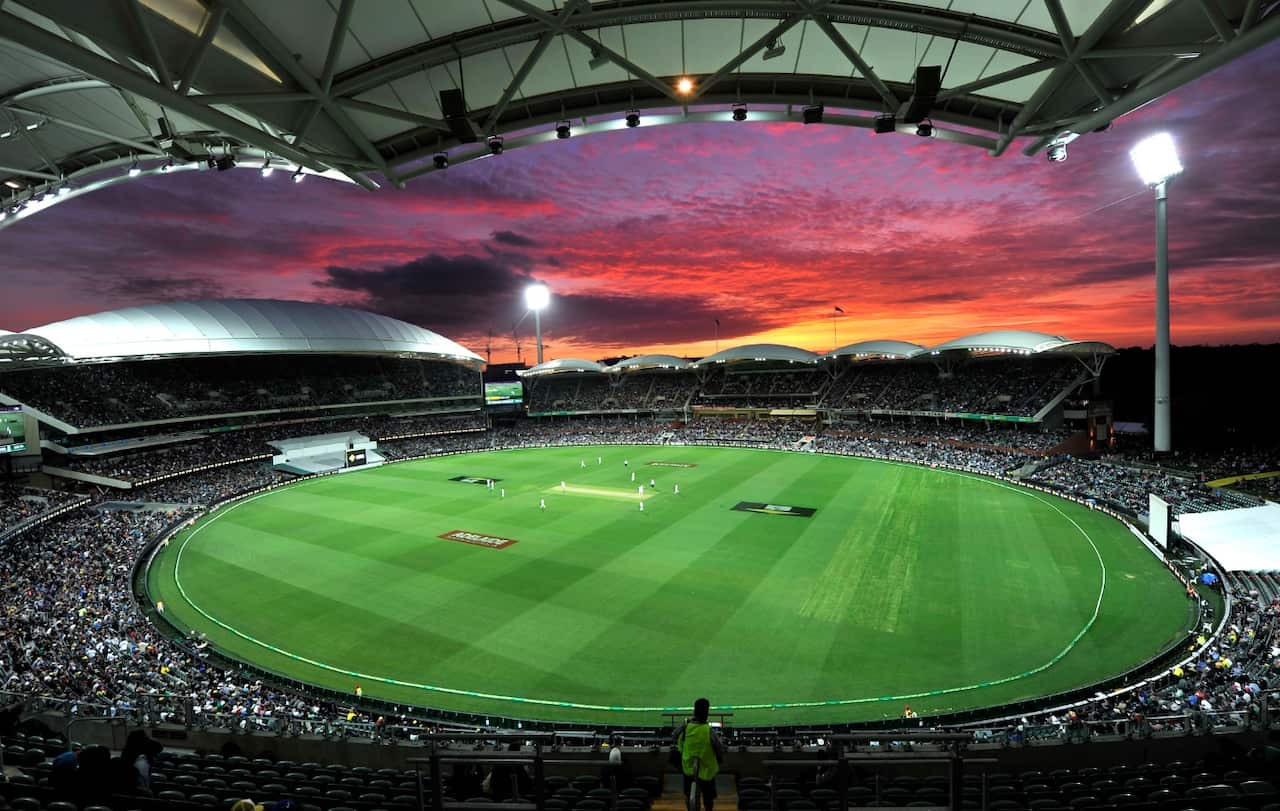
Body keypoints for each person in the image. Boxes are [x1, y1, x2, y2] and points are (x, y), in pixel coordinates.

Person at [676, 697, 724, 811]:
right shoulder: (709, 731)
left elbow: (674, 736)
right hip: (707, 771)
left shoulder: (686, 726)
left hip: (688, 768)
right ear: (707, 713)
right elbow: (719, 747)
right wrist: (720, 759)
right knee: (708, 799)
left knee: (689, 796)